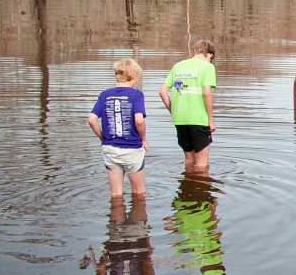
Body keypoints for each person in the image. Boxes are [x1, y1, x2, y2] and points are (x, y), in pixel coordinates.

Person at [87, 57, 148, 198]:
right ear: (133, 76)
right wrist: (143, 139)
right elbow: (139, 120)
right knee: (139, 193)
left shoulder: (105, 94)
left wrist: (102, 137)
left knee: (115, 194)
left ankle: (115, 219)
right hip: (132, 149)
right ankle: (137, 220)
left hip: (110, 149)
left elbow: (91, 119)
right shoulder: (137, 95)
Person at [160, 39, 218, 171]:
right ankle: (200, 189)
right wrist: (210, 119)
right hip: (198, 119)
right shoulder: (208, 67)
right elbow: (207, 93)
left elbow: (162, 91)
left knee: (189, 161)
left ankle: (187, 189)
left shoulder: (178, 66)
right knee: (202, 165)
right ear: (209, 54)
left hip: (180, 119)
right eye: (211, 58)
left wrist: (173, 110)